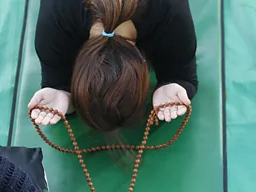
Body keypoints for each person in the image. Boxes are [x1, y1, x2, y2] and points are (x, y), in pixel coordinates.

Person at [29, 0, 198, 132]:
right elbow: (56, 77)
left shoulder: (171, 12)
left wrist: (173, 84)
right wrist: (63, 92)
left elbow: (183, 74)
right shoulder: (55, 19)